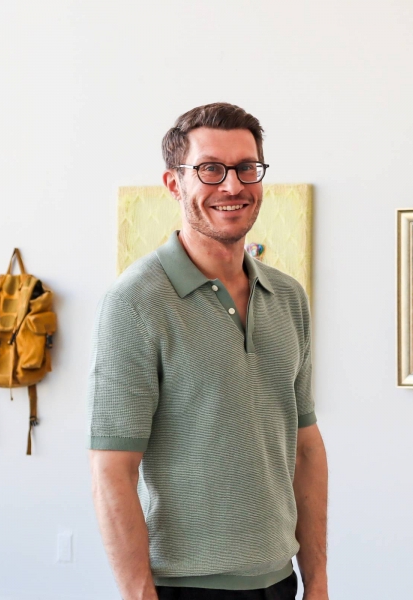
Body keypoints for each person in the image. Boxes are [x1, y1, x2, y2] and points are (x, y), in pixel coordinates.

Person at [87, 103, 328, 600]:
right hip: (183, 588)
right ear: (174, 183)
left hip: (281, 582)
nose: (233, 186)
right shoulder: (135, 301)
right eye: (210, 169)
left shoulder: (288, 297)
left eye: (246, 168)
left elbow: (306, 448)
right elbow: (112, 469)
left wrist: (318, 581)